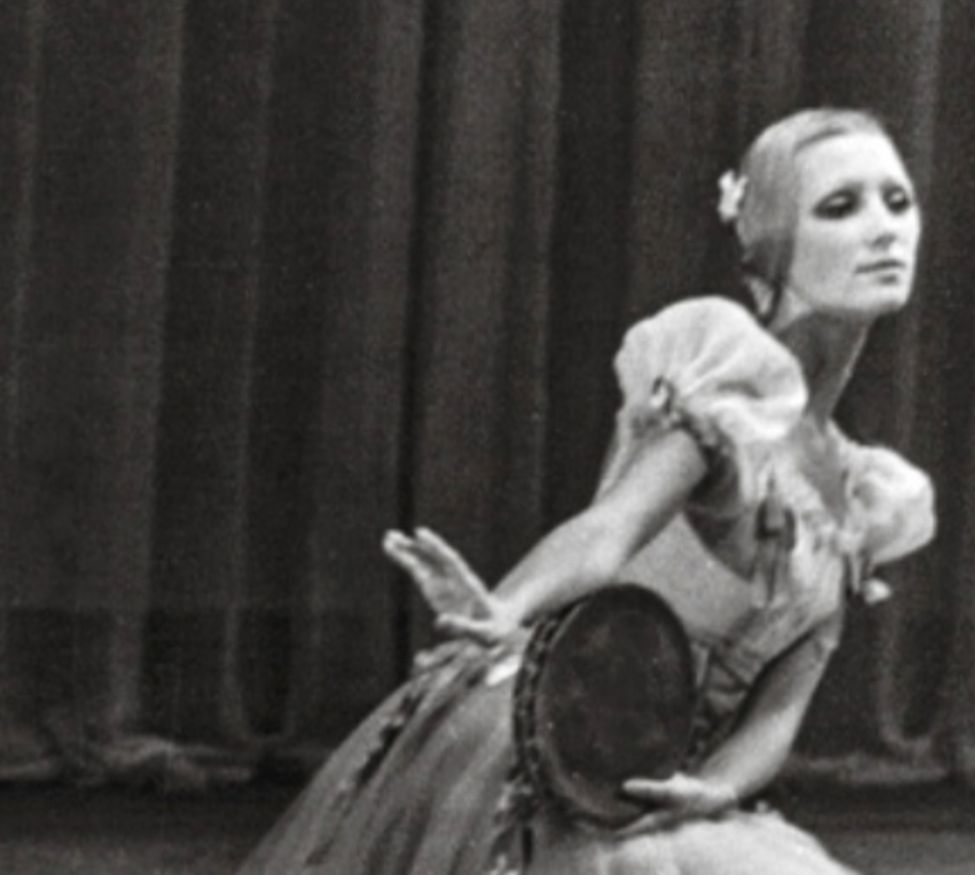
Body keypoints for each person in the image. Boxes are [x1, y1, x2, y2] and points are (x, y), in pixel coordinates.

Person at [238, 107, 936, 874]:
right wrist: (507, 605)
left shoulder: (865, 490)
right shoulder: (730, 395)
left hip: (650, 781)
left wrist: (714, 789)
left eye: (897, 201)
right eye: (841, 205)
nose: (885, 229)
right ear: (770, 239)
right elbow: (608, 530)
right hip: (553, 745)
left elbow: (780, 706)